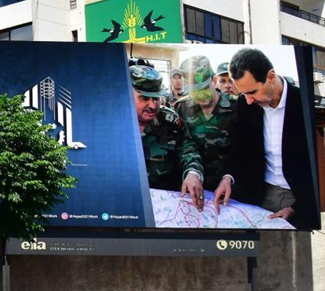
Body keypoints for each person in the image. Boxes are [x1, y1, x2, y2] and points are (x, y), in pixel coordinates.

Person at [213, 47, 319, 229]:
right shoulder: (246, 105)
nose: (248, 100)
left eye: (252, 92)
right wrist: (228, 178)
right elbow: (241, 148)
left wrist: (297, 207)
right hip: (259, 195)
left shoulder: (304, 104)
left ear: (271, 77)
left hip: (300, 199)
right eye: (243, 93)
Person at [130, 65, 205, 211]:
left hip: (165, 207)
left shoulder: (170, 122)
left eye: (156, 98)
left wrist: (192, 172)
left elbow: (188, 150)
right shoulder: (110, 124)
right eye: (144, 98)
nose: (152, 105)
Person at [175, 56, 237, 193]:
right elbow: (180, 146)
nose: (201, 95)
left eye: (205, 88)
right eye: (195, 90)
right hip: (192, 188)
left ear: (214, 81)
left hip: (230, 190)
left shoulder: (236, 107)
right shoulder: (182, 108)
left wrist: (230, 177)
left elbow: (245, 151)